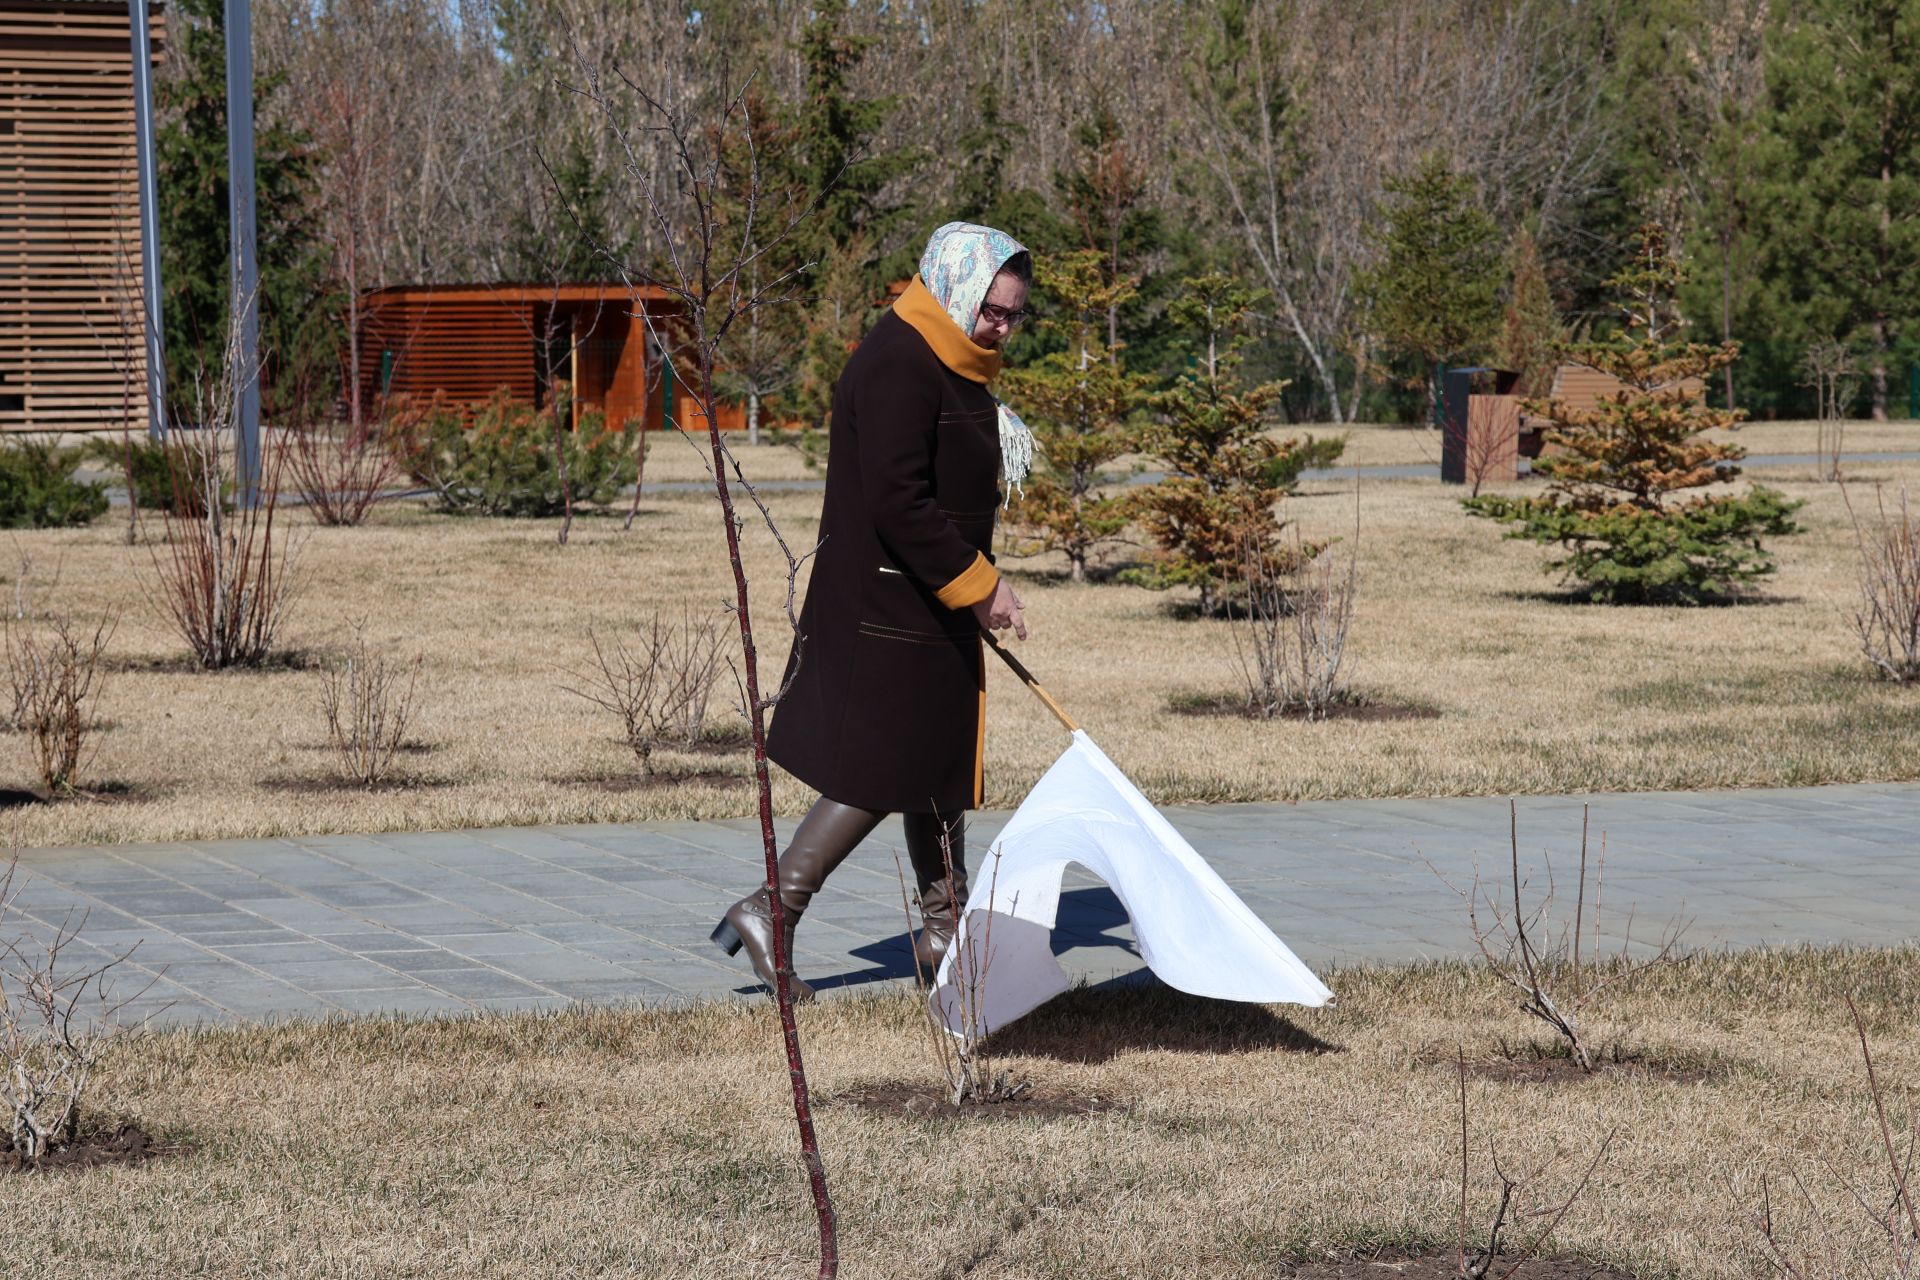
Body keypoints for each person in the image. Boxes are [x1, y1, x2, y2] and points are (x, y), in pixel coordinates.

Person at [712, 222, 1035, 1001]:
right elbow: (898, 500)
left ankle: (942, 934)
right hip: (886, 604)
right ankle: (772, 911)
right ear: (954, 288)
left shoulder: (952, 358)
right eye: (991, 309)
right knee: (886, 764)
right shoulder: (900, 361)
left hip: (927, 604)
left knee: (936, 765)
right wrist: (980, 581)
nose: (1000, 327)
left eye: (1014, 314)